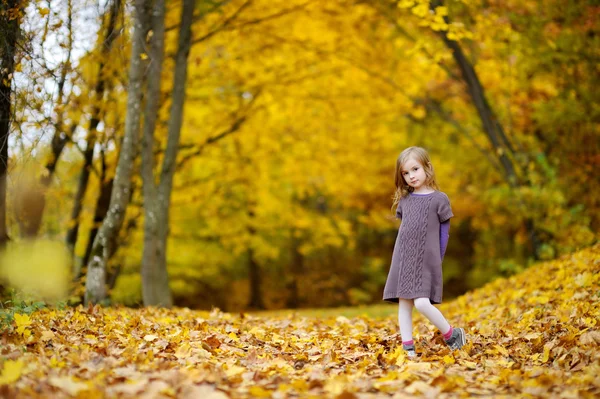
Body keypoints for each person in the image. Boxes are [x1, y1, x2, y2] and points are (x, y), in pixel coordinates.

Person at [382, 146, 466, 357]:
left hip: (427, 260)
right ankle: (407, 347)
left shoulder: (439, 199)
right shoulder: (405, 201)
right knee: (404, 302)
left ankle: (451, 334)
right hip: (403, 259)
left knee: (421, 302)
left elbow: (443, 234)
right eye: (406, 173)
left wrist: (438, 258)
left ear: (427, 167)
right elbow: (406, 232)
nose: (411, 176)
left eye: (415, 169)